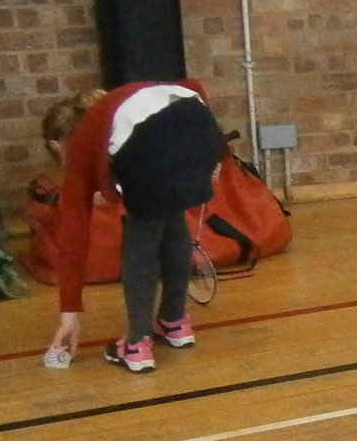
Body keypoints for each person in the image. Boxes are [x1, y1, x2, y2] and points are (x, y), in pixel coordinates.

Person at [42, 81, 226, 372]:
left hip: (169, 144)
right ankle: (174, 321)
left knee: (141, 232)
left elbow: (73, 236)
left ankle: (136, 345)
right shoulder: (120, 106)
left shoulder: (80, 143)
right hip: (201, 127)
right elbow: (192, 90)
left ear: (56, 144)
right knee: (171, 212)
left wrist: (69, 313)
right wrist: (218, 154)